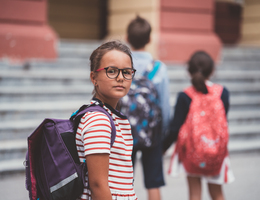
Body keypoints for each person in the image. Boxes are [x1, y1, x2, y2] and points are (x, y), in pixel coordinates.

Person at [163, 51, 235, 200]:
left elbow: (175, 128)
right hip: (216, 151)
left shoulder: (185, 95)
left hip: (192, 151)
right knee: (217, 194)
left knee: (194, 195)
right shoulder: (223, 93)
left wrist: (163, 148)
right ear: (212, 70)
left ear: (189, 71)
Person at [75, 41, 138, 200]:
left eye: (127, 72)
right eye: (111, 71)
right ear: (93, 77)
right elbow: (98, 185)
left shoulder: (110, 115)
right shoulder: (98, 120)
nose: (120, 78)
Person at [126, 16, 171, 200]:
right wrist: (164, 133)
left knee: (123, 181)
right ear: (149, 39)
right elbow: (165, 107)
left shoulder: (122, 65)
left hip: (124, 132)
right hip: (152, 132)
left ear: (127, 38)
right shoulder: (159, 68)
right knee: (153, 182)